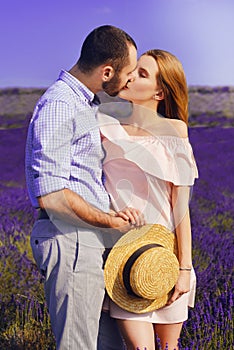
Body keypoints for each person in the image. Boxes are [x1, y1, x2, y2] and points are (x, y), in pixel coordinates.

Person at [25, 25, 145, 350]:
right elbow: (51, 195)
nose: (131, 79)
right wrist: (108, 221)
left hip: (87, 242)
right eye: (129, 72)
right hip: (71, 241)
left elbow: (81, 180)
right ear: (107, 71)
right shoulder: (61, 105)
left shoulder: (85, 105)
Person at [98, 49, 199, 350]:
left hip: (165, 258)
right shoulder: (106, 129)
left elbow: (181, 209)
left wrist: (184, 269)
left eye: (142, 74)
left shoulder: (174, 131)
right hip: (125, 261)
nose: (130, 77)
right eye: (133, 70)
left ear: (160, 91)